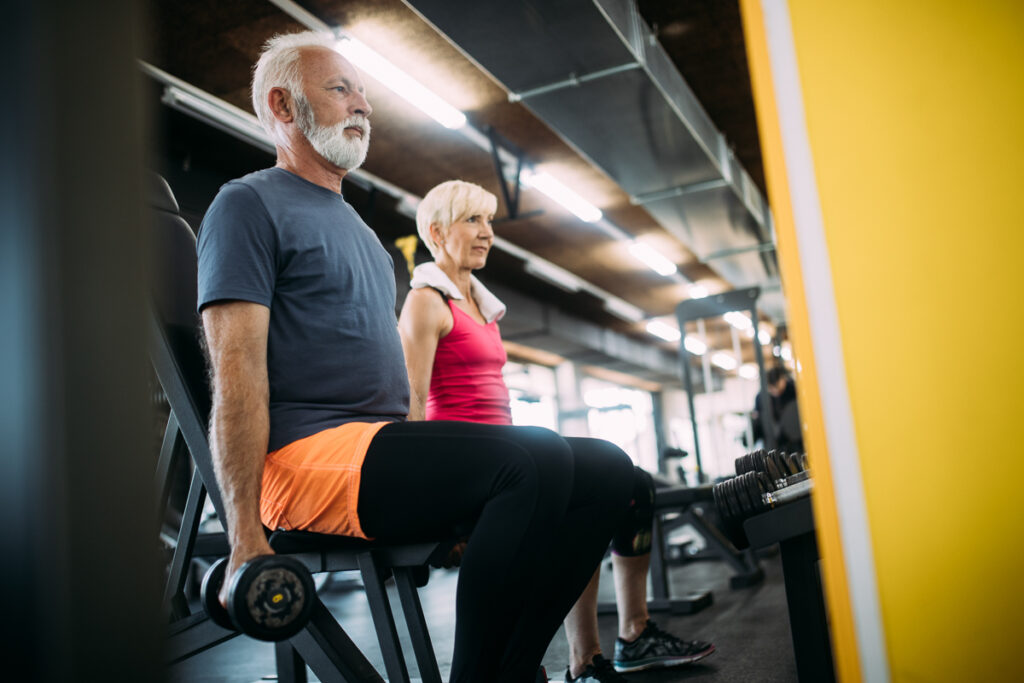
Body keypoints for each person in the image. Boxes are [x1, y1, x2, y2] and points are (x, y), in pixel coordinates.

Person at [197, 31, 636, 683]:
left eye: (365, 94)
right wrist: (243, 539)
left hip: (377, 448)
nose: (361, 105)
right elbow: (235, 378)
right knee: (530, 457)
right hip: (303, 461)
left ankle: (515, 666)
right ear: (284, 107)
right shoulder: (247, 204)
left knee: (608, 470)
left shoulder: (371, 241)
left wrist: (446, 473)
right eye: (340, 89)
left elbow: (397, 388)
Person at [398, 180, 716, 682]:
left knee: (627, 486)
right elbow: (410, 401)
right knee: (578, 473)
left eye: (489, 222)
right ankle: (534, 662)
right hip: (469, 465)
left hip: (506, 455)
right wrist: (424, 506)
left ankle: (605, 647)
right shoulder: (426, 301)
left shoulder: (481, 304)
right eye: (473, 221)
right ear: (437, 231)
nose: (487, 234)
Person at [751, 365, 803, 453]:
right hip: (774, 445)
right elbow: (757, 419)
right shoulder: (761, 397)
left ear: (783, 378)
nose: (775, 391)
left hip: (797, 441)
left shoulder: (794, 389)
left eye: (777, 387)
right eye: (771, 389)